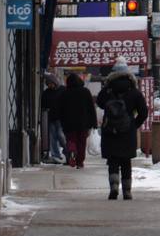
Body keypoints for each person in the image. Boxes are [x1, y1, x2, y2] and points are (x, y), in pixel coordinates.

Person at [95, 59, 148, 200]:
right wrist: (133, 125)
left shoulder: (108, 90)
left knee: (112, 161)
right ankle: (127, 191)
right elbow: (144, 112)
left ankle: (113, 187)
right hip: (127, 131)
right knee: (126, 162)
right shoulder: (134, 92)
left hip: (110, 131)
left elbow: (99, 102)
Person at [59, 72, 97, 169]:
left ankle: (72, 149)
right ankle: (80, 162)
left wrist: (61, 121)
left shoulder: (65, 93)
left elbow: (60, 109)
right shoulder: (85, 92)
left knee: (71, 139)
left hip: (69, 123)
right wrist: (94, 123)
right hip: (83, 123)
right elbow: (91, 109)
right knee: (82, 142)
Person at [42, 76, 66, 163]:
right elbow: (43, 103)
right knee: (52, 137)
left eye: (50, 84)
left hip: (61, 117)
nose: (49, 86)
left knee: (60, 135)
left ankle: (67, 150)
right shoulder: (46, 92)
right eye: (48, 84)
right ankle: (55, 155)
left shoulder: (63, 90)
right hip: (51, 117)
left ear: (55, 82)